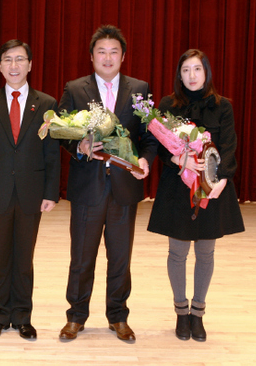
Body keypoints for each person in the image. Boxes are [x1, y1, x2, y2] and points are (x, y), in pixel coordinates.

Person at [58, 25, 157, 343]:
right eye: (101, 51)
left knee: (120, 257)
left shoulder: (139, 88)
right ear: (92, 56)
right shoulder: (76, 89)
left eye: (114, 51)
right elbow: (60, 130)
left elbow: (150, 136)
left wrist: (144, 161)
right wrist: (80, 147)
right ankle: (76, 316)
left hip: (124, 188)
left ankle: (118, 316)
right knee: (82, 257)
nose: (108, 57)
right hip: (88, 187)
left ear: (123, 56)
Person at [147, 49, 244, 342]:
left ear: (206, 73)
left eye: (197, 70)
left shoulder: (222, 106)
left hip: (211, 189)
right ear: (179, 74)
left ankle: (198, 313)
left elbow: (228, 145)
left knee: (206, 252)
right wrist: (181, 161)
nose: (191, 75)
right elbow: (160, 145)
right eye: (186, 70)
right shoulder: (167, 105)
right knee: (177, 253)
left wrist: (221, 180)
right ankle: (180, 311)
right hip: (178, 189)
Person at [0, 39, 60, 340]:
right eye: (8, 59)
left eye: (20, 59)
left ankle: (22, 316)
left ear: (30, 64)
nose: (14, 65)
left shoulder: (46, 104)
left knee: (24, 258)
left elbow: (52, 153)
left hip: (31, 192)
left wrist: (51, 192)